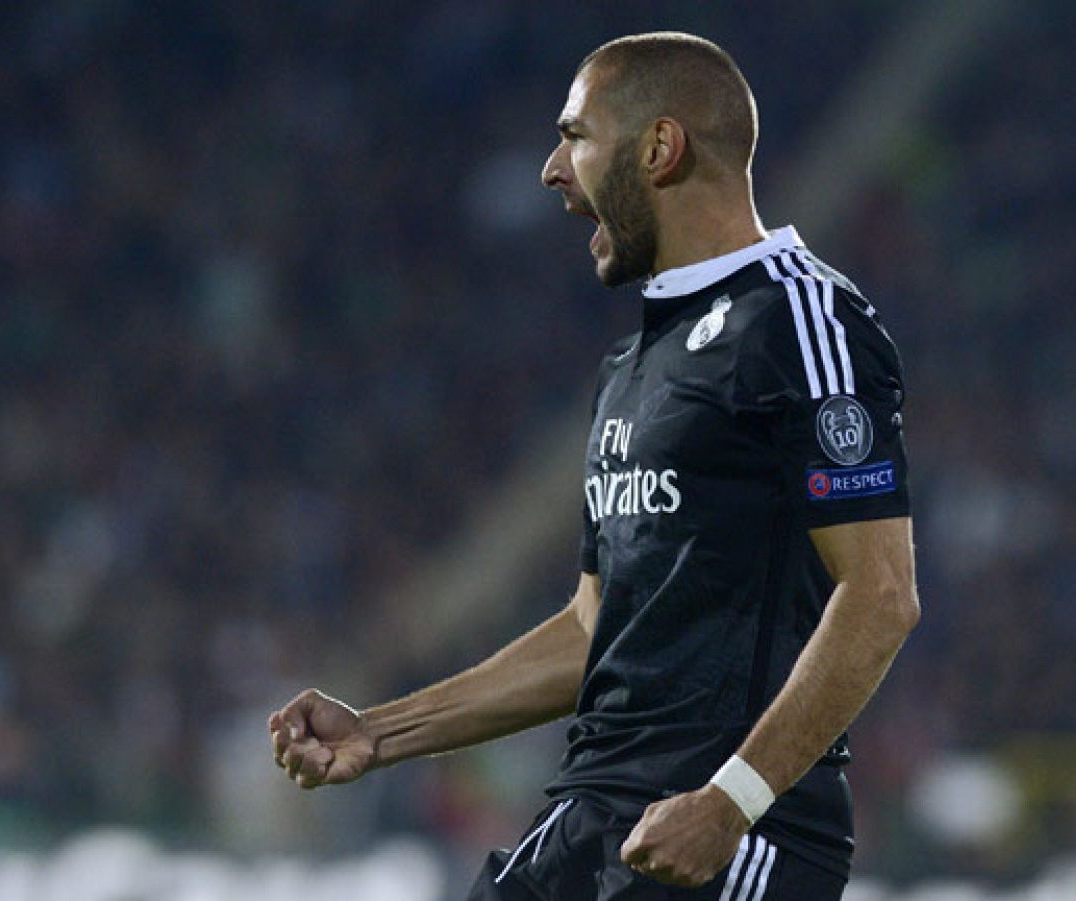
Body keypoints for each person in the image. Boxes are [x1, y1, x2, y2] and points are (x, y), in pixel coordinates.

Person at [270, 31, 920, 901]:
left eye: (575, 135)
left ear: (659, 148)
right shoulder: (631, 370)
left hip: (726, 836)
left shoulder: (800, 322)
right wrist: (379, 733)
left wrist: (731, 802)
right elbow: (593, 629)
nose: (551, 169)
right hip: (593, 817)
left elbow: (880, 593)